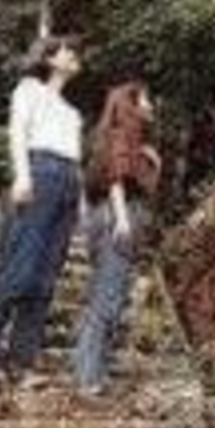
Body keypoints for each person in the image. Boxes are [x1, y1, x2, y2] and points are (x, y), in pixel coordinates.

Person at [0, 35, 84, 390]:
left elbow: (74, 156)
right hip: (40, 171)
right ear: (49, 57)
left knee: (45, 279)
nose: (75, 56)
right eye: (68, 51)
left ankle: (22, 364)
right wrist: (22, 175)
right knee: (19, 269)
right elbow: (17, 132)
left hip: (68, 180)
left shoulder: (72, 112)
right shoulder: (29, 89)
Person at [72, 80, 162, 397]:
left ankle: (88, 369)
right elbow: (115, 178)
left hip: (104, 216)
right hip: (118, 215)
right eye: (146, 100)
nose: (151, 106)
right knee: (108, 298)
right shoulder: (123, 134)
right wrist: (122, 218)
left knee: (104, 295)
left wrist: (151, 160)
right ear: (131, 105)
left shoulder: (114, 138)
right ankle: (88, 378)